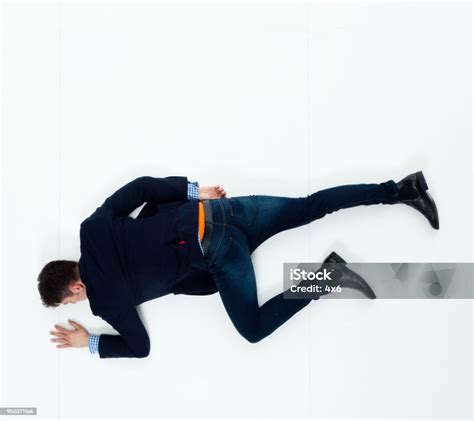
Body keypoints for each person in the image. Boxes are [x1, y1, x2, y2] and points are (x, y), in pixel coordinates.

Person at [38, 171, 439, 358]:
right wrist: (194, 191)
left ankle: (327, 276)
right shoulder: (91, 230)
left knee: (252, 330)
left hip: (220, 252)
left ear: (74, 289)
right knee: (311, 206)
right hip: (222, 211)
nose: (75, 307)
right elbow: (141, 188)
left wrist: (87, 342)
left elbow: (139, 348)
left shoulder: (105, 302)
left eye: (68, 304)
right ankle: (402, 190)